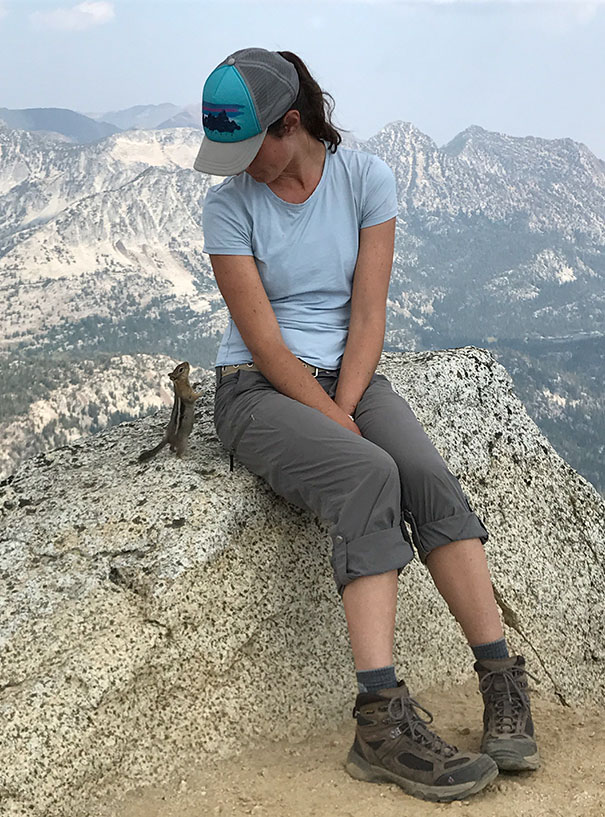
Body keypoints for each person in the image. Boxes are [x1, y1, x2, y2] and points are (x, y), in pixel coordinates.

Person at [194, 46, 540, 803]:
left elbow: (368, 312)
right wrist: (339, 426)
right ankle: (378, 721)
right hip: (255, 389)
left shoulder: (364, 179)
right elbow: (264, 346)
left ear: (292, 124)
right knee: (367, 472)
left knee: (424, 474)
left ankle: (500, 680)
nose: (237, 167)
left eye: (249, 149)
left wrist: (346, 404)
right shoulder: (227, 207)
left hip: (348, 373)